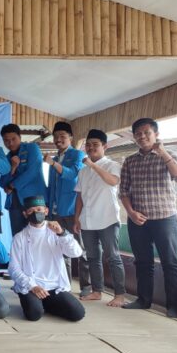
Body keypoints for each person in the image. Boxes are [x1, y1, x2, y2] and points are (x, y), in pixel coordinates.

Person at [120, 118, 177, 318]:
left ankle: (174, 307)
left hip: (165, 218)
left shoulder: (169, 154)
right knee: (142, 261)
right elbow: (123, 191)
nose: (142, 136)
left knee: (170, 262)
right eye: (138, 134)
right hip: (138, 219)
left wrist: (163, 152)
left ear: (156, 134)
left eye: (146, 132)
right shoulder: (130, 161)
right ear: (134, 137)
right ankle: (143, 300)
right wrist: (131, 213)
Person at [9, 196, 85, 322]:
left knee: (78, 313)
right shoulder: (19, 238)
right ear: (25, 214)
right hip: (32, 286)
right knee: (34, 314)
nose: (36, 213)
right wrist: (32, 286)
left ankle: (46, 304)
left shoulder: (56, 232)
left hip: (54, 286)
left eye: (39, 209)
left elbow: (76, 253)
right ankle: (38, 304)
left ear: (46, 211)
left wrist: (62, 233)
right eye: (31, 211)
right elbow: (13, 268)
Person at [73, 129, 126, 307]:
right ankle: (97, 291)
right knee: (93, 257)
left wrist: (93, 165)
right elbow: (79, 196)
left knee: (113, 257)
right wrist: (77, 218)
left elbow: (113, 181)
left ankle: (119, 295)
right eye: (88, 145)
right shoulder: (83, 171)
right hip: (87, 220)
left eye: (95, 144)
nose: (90, 148)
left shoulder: (112, 165)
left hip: (107, 219)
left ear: (105, 146)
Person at [44, 121, 88, 295]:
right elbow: (51, 187)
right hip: (56, 212)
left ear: (71, 137)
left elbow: (73, 176)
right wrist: (49, 210)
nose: (58, 140)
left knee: (81, 249)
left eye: (62, 136)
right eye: (55, 137)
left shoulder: (78, 155)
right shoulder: (54, 160)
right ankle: (65, 286)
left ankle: (86, 286)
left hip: (72, 211)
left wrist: (53, 164)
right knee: (61, 250)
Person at [0, 123, 46, 235]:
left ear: (20, 137)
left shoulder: (32, 148)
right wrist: (12, 168)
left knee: (38, 235)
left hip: (34, 201)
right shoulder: (6, 158)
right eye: (6, 140)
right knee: (18, 236)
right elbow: (2, 182)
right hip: (14, 203)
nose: (10, 143)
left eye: (13, 139)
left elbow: (32, 172)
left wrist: (11, 185)